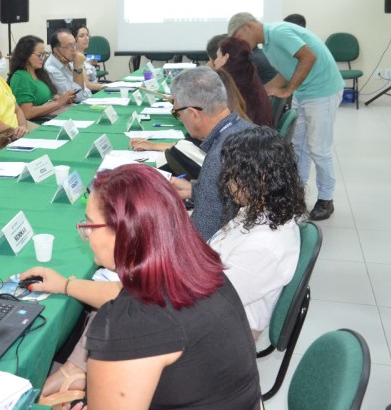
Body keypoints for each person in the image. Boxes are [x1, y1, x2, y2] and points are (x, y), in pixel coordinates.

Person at [23, 164, 261, 409]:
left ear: (125, 233)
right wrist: (65, 285)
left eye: (89, 224)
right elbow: (122, 294)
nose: (85, 234)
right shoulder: (198, 269)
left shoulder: (129, 324)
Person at [229, 12, 344, 220]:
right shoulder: (268, 45)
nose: (240, 43)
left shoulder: (278, 32)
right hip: (305, 91)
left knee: (318, 148)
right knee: (298, 146)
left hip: (322, 90)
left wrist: (288, 90)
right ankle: (296, 192)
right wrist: (262, 92)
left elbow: (308, 56)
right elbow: (287, 71)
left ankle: (326, 199)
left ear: (248, 26)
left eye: (239, 37)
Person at [213, 126, 306, 339]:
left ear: (261, 178)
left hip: (223, 333)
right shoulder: (262, 209)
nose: (228, 184)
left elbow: (209, 298)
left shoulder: (264, 245)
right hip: (215, 308)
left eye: (233, 177)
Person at [168, 67, 255, 240]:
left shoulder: (220, 155)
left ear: (194, 114)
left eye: (177, 113)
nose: (179, 118)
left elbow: (200, 236)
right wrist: (195, 190)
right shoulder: (244, 128)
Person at [209, 36, 273, 126]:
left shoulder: (228, 86)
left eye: (218, 56)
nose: (215, 61)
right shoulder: (251, 78)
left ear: (226, 57)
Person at [9, 35, 75, 121]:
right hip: (36, 123)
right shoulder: (21, 77)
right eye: (39, 55)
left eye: (44, 54)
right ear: (26, 55)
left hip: (50, 116)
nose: (42, 59)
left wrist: (62, 98)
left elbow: (47, 98)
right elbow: (27, 113)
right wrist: (59, 102)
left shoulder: (39, 72)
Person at [45, 29, 91, 102]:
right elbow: (77, 97)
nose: (74, 50)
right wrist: (78, 67)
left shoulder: (69, 60)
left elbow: (86, 90)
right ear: (57, 50)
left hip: (89, 100)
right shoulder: (50, 69)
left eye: (75, 45)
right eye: (69, 46)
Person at [71, 24, 103, 91]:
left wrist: (89, 59)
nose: (86, 38)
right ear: (74, 40)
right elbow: (88, 85)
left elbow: (98, 57)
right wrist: (109, 86)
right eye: (82, 36)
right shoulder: (76, 58)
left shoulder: (84, 55)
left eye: (87, 35)